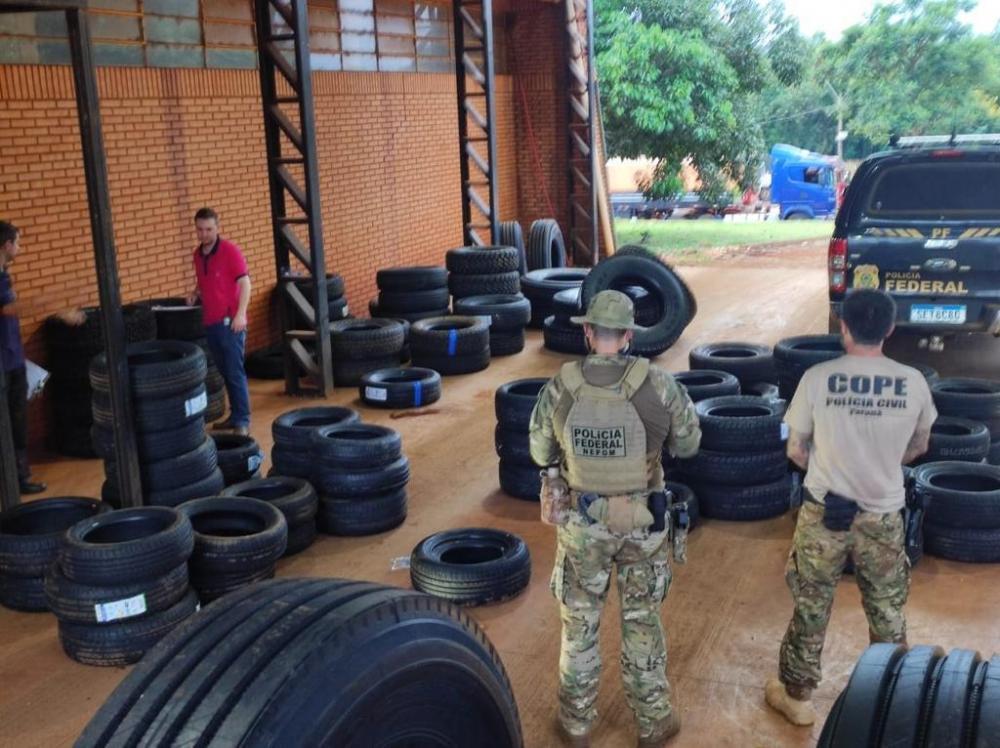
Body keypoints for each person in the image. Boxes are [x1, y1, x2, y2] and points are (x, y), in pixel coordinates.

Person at [528, 290, 701, 748]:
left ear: (588, 332)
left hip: (584, 527)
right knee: (642, 620)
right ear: (627, 336)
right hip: (642, 523)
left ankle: (576, 724)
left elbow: (539, 450)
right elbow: (688, 444)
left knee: (579, 626)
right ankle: (653, 722)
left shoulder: (559, 386)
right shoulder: (660, 384)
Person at [765, 289, 935, 726]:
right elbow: (919, 446)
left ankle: (797, 697)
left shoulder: (818, 378)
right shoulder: (913, 381)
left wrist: (829, 468)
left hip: (826, 512)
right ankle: (895, 697)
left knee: (812, 602)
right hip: (883, 513)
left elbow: (796, 449)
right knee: (886, 606)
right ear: (890, 330)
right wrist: (879, 463)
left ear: (843, 328)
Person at [188, 207, 252, 436]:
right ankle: (235, 416)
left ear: (217, 228)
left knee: (234, 372)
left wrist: (241, 314)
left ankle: (242, 421)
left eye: (208, 229)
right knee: (224, 372)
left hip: (231, 323)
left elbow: (245, 283)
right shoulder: (197, 255)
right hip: (211, 322)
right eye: (200, 229)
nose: (204, 234)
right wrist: (195, 293)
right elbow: (205, 282)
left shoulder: (230, 251)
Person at [0, 221, 45, 494]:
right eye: (17, 242)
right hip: (4, 365)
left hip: (14, 359)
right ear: (6, 246)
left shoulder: (5, 275)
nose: (20, 248)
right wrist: (52, 305)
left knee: (18, 423)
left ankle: (18, 477)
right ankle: (14, 479)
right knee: (11, 424)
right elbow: (10, 309)